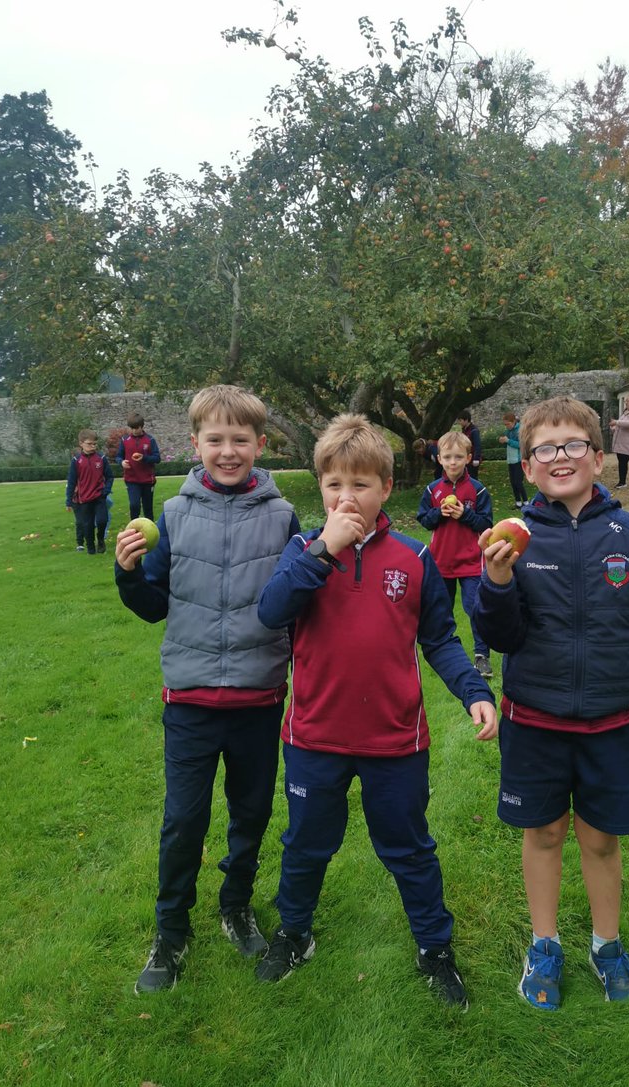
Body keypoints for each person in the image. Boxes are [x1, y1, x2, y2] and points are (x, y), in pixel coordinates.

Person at [256, 414, 498, 1008]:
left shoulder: (415, 558)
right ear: (320, 487)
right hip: (315, 735)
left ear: (387, 487)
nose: (347, 497)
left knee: (409, 847)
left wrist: (474, 692)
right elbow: (270, 611)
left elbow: (439, 638)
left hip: (396, 741)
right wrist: (323, 550)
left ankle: (434, 948)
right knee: (306, 843)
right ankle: (294, 932)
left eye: (361, 484)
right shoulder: (300, 551)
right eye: (334, 484)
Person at [474, 395, 629, 1010]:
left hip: (611, 720)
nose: (560, 456)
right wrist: (495, 583)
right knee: (543, 832)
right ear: (529, 463)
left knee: (599, 839)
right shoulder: (511, 536)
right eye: (545, 447)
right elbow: (499, 636)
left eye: (573, 445)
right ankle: (544, 945)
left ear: (598, 457)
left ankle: (606, 944)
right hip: (533, 719)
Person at [115, 385, 300, 994]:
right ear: (194, 445)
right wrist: (127, 573)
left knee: (251, 813)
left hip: (257, 699)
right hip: (191, 701)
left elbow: (300, 604)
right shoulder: (171, 514)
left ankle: (236, 904)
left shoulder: (282, 515)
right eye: (215, 440)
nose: (228, 451)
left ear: (260, 445)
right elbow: (151, 606)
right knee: (183, 820)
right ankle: (171, 931)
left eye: (239, 440)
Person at [416, 429, 494, 679]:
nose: (452, 462)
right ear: (439, 459)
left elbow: (486, 524)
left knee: (475, 608)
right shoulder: (433, 490)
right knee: (442, 611)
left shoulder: (478, 490)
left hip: (471, 562)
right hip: (441, 561)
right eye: (447, 457)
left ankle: (482, 656)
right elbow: (424, 521)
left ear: (468, 458)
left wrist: (465, 515)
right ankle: (445, 656)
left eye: (458, 457)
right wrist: (439, 512)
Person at [66, 430, 113, 554]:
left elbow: (110, 476)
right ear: (81, 443)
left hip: (99, 497)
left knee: (103, 520)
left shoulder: (101, 458)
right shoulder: (76, 461)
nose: (93, 446)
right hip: (84, 499)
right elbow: (71, 481)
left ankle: (101, 540)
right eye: (89, 444)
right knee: (88, 525)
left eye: (95, 444)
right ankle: (91, 548)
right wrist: (68, 500)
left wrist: (106, 491)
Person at [117, 413, 161, 521]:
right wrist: (121, 462)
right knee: (134, 505)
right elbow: (118, 456)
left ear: (142, 426)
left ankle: (151, 532)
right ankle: (134, 530)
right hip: (131, 479)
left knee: (148, 509)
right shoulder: (125, 440)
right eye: (131, 428)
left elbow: (157, 458)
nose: (134, 431)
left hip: (147, 480)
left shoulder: (150, 440)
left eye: (136, 428)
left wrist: (144, 458)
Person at [500, 411, 529, 505]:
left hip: (518, 459)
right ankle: (518, 502)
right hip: (510, 460)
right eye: (505, 425)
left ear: (513, 422)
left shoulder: (520, 430)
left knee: (518, 482)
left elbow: (521, 445)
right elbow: (508, 444)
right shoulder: (507, 431)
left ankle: (525, 501)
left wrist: (508, 441)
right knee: (513, 482)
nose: (506, 426)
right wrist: (503, 441)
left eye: (508, 424)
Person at [457, 411, 482, 477]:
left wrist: (476, 458)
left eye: (460, 420)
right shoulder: (464, 430)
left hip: (472, 459)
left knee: (472, 477)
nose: (459, 423)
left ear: (466, 420)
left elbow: (477, 446)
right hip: (466, 458)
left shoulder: (474, 431)